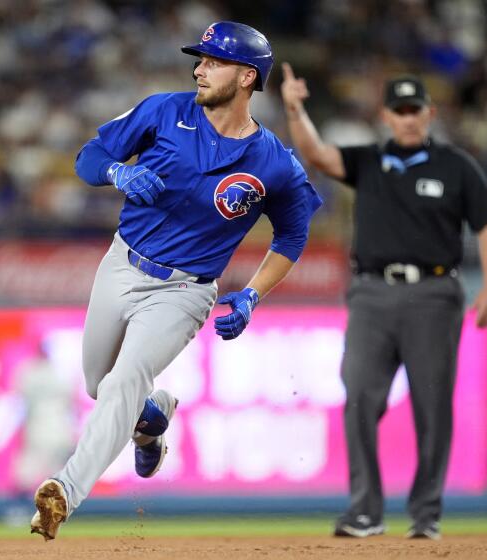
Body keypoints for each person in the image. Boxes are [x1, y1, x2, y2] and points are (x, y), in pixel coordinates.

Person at [30, 22, 322, 541]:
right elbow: (89, 157)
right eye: (200, 59)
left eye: (213, 61)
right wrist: (118, 173)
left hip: (184, 292)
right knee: (103, 387)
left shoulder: (273, 161)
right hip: (121, 264)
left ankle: (63, 492)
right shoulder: (164, 110)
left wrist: (253, 293)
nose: (199, 69)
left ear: (248, 76)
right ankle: (152, 423)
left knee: (121, 383)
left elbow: (292, 236)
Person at [280, 66, 487, 540]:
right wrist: (296, 109)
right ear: (386, 115)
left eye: (414, 109)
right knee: (359, 394)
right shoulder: (369, 161)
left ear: (429, 113)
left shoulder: (456, 166)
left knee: (432, 405)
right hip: (372, 294)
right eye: (398, 110)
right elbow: (317, 154)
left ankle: (426, 514)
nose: (406, 118)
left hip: (434, 294)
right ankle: (365, 511)